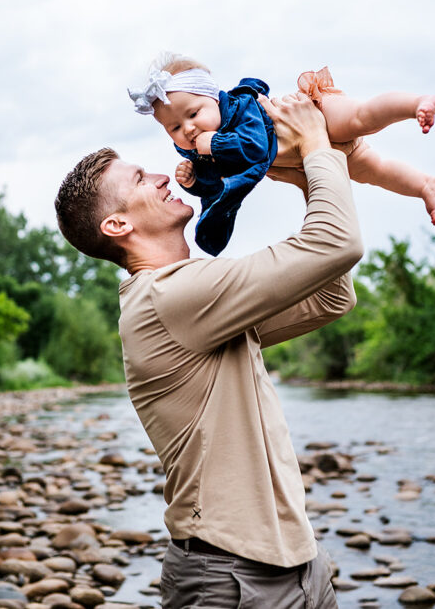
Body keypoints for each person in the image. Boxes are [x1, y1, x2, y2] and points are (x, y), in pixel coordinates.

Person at [55, 92, 365, 608]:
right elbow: (340, 244)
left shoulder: (195, 298)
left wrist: (297, 176)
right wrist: (314, 143)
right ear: (118, 226)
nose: (160, 176)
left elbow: (334, 292)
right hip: (230, 576)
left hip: (301, 563)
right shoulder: (169, 298)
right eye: (139, 179)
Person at [127, 53, 435, 255]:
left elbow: (254, 147)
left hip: (316, 115)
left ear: (215, 98)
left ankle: (416, 103)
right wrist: (193, 180)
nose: (188, 129)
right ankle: (424, 186)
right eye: (174, 128)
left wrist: (216, 145)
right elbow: (216, 184)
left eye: (193, 114)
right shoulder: (201, 151)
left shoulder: (241, 108)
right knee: (375, 171)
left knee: (363, 117)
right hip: (314, 154)